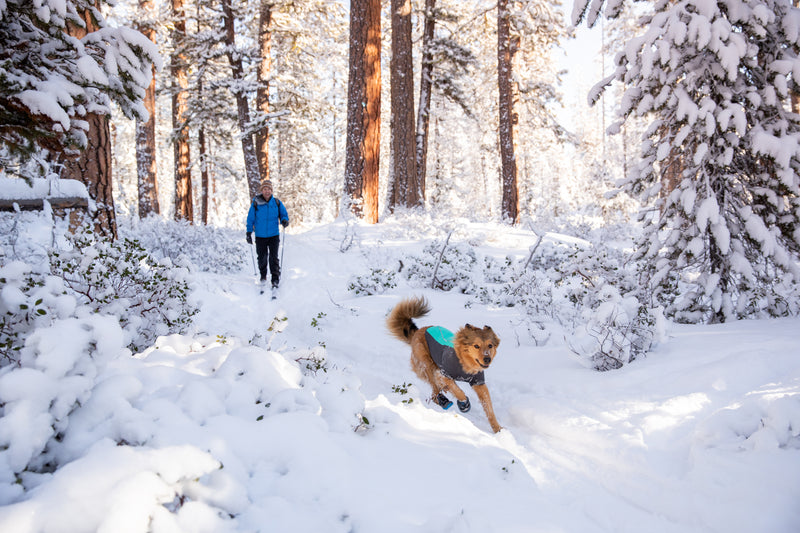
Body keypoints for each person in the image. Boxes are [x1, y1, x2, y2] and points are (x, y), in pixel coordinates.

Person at [246, 180, 289, 289]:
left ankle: (275, 278)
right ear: (262, 191)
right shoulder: (256, 202)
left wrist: (284, 220)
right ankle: (263, 275)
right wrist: (248, 232)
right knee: (262, 257)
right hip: (260, 236)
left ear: (271, 191)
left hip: (274, 235)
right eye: (265, 189)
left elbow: (284, 214)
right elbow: (250, 218)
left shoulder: (277, 202)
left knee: (273, 258)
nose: (267, 191)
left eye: (269, 189)